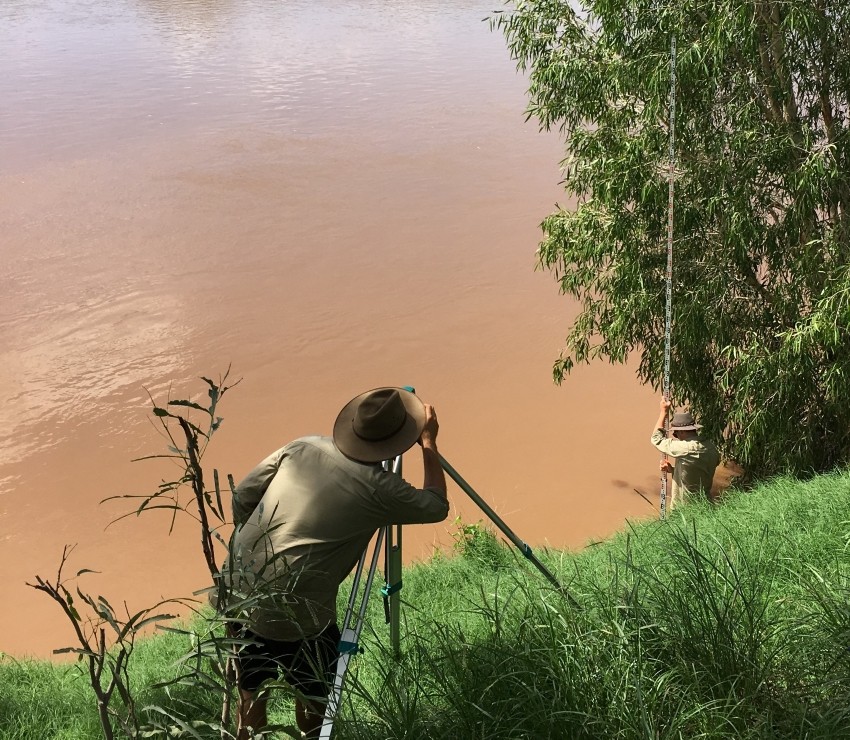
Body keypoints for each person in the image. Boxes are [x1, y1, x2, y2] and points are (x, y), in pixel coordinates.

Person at [223, 387, 449, 740]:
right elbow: (436, 506)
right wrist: (429, 443)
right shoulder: (382, 489)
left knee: (250, 693)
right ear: (400, 440)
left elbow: (241, 498)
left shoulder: (302, 447)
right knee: (314, 700)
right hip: (300, 612)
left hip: (237, 589)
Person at [650, 397, 720, 507]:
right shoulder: (710, 447)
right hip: (706, 505)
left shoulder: (686, 448)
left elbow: (656, 439)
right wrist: (673, 470)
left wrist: (663, 412)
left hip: (686, 509)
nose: (676, 437)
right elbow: (697, 473)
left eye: (675, 434)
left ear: (682, 432)